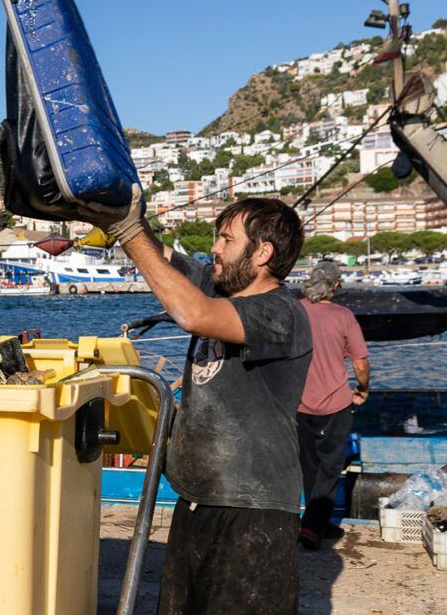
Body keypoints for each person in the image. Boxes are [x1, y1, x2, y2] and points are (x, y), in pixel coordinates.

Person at [82, 189, 312, 615]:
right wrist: (126, 220)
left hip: (252, 511)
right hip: (197, 499)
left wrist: (128, 231)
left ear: (262, 253)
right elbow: (167, 261)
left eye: (226, 239)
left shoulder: (282, 312)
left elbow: (193, 315)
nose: (215, 248)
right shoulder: (221, 287)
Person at [295, 261, 370, 551]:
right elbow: (361, 363)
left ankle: (316, 522)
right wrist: (363, 389)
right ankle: (312, 526)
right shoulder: (344, 315)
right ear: (336, 286)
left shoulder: (296, 312)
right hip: (336, 403)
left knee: (309, 466)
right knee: (330, 467)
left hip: (300, 404)